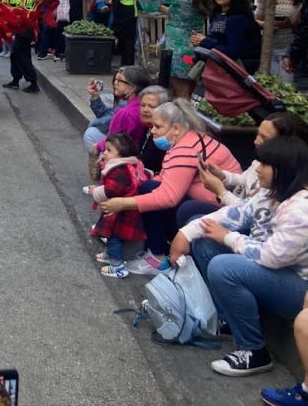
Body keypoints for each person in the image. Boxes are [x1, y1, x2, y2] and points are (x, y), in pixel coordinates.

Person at [171, 136, 308, 377]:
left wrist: (228, 238)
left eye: (265, 164)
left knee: (224, 266)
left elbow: (271, 257)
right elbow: (233, 214)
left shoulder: (300, 210)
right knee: (203, 239)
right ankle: (228, 321)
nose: (257, 168)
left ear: (284, 169)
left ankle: (253, 351)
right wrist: (185, 233)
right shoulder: (269, 194)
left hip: (299, 288)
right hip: (275, 271)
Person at [97, 99, 242, 274]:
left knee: (150, 193)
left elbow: (167, 197)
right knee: (147, 188)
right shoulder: (189, 140)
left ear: (176, 128)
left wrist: (123, 203)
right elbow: (163, 177)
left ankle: (157, 258)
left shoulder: (185, 149)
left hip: (220, 210)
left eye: (157, 127)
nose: (152, 131)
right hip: (218, 205)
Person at [196, 112, 308, 216]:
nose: (256, 141)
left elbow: (249, 212)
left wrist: (221, 192)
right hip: (237, 207)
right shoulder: (261, 162)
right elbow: (246, 179)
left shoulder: (278, 179)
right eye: (258, 134)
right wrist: (222, 176)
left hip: (248, 221)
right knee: (191, 209)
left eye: (264, 138)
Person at [140, 0, 213, 98]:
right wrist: (159, 7)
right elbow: (179, 14)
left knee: (181, 91)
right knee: (190, 87)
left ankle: (183, 118)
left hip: (178, 48)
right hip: (195, 48)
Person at [84, 132, 150, 279]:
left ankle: (117, 265)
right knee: (112, 237)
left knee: (115, 237)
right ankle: (109, 254)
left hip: (120, 212)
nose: (105, 153)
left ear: (120, 155)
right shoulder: (131, 165)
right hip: (124, 209)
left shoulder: (119, 170)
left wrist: (96, 191)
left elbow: (111, 189)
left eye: (109, 150)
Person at [192, 0, 262, 74]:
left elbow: (231, 52)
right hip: (220, 68)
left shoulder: (237, 19)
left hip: (238, 71)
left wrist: (205, 41)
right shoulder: (216, 14)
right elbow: (216, 40)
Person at [89, 66, 153, 159]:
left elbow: (113, 140)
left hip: (124, 156)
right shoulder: (142, 105)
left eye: (120, 80)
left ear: (132, 87)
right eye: (115, 79)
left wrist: (98, 146)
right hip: (136, 153)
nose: (115, 83)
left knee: (90, 133)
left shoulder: (125, 113)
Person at [258, 0, 307, 83]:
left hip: (288, 49)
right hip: (268, 48)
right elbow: (256, 19)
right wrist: (267, 25)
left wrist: (290, 23)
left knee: (286, 87)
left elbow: (303, 25)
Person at [135, 85, 175, 174]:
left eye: (151, 106)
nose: (145, 110)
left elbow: (151, 163)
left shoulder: (165, 134)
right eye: (143, 105)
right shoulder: (147, 126)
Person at [110, 0, 140, 66]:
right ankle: (122, 63)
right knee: (120, 40)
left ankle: (129, 64)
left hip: (128, 16)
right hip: (117, 15)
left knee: (128, 41)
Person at [3, 27, 39, 94]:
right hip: (22, 31)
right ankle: (15, 80)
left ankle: (34, 84)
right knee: (15, 56)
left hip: (24, 32)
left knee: (23, 58)